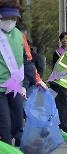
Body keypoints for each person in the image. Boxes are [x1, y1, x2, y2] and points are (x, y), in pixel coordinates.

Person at [0, 2, 24, 145]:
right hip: (0, 89)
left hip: (15, 87)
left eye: (13, 18)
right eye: (6, 18)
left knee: (17, 122)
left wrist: (35, 79)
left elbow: (26, 59)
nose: (10, 21)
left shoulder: (18, 35)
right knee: (5, 126)